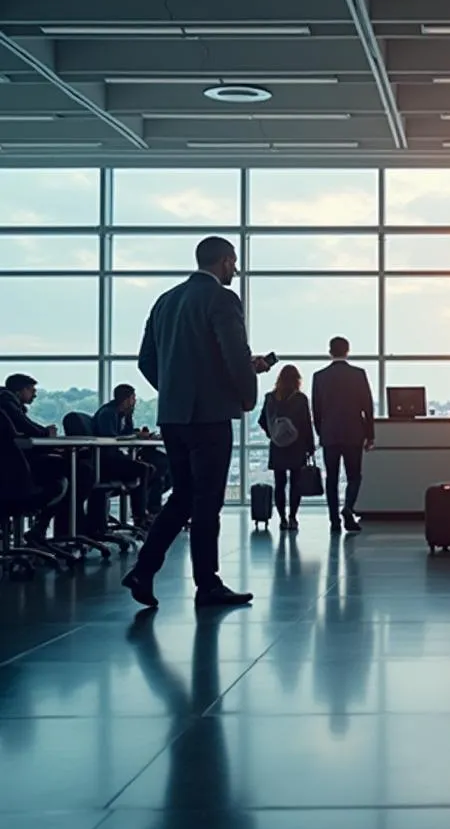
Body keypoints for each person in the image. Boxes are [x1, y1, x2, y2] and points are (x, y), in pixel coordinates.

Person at [121, 236, 269, 610]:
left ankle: (143, 570)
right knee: (207, 503)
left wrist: (176, 390)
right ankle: (208, 585)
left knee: (184, 497)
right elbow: (235, 354)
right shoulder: (222, 298)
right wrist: (245, 395)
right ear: (223, 261)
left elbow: (146, 361)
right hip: (210, 417)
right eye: (233, 263)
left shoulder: (165, 301)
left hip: (174, 417)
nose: (235, 270)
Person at [0, 372, 96, 543]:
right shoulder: (6, 403)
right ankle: (54, 527)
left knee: (75, 471)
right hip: (18, 472)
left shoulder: (9, 405)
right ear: (18, 391)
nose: (35, 394)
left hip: (16, 468)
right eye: (30, 390)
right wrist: (46, 433)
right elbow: (26, 427)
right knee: (80, 472)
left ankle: (45, 527)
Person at [312, 337, 375, 534]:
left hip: (330, 434)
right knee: (354, 476)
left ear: (330, 351)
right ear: (348, 351)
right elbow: (368, 406)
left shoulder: (319, 376)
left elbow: (316, 409)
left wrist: (321, 432)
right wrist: (370, 434)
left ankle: (334, 521)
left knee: (331, 478)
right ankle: (347, 508)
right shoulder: (358, 374)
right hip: (354, 433)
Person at [93, 383, 167, 528]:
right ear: (126, 399)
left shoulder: (124, 415)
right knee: (144, 469)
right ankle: (140, 515)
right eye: (133, 398)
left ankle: (150, 509)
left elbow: (126, 434)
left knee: (156, 467)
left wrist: (139, 434)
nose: (134, 401)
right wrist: (135, 435)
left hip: (118, 457)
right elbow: (110, 438)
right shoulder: (108, 413)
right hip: (106, 461)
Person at [258, 364, 315, 532]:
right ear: (297, 380)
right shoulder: (300, 399)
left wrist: (273, 434)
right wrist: (310, 447)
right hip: (297, 446)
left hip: (277, 447)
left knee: (280, 483)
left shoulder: (270, 397)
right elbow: (306, 425)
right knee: (296, 483)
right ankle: (293, 517)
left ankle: (282, 518)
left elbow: (262, 420)